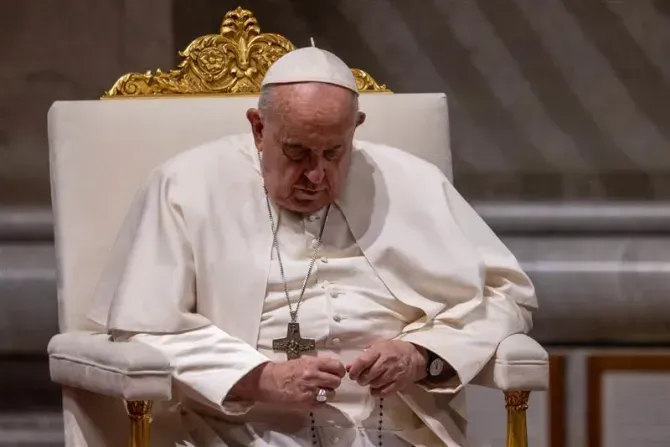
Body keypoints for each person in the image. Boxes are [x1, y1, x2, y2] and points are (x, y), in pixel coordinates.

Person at [89, 46, 537, 447]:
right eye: (297, 153)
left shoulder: (412, 182)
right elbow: (141, 329)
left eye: (334, 153)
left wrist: (423, 356)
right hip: (242, 431)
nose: (317, 175)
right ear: (259, 128)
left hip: (394, 430)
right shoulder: (185, 186)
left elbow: (507, 296)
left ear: (356, 128)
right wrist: (258, 378)